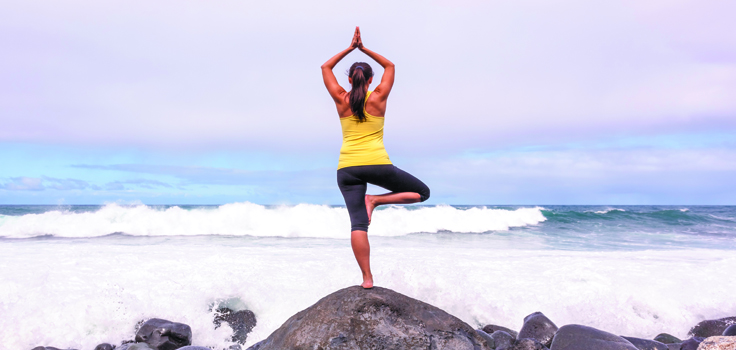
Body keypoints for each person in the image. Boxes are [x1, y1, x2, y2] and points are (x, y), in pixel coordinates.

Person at [321, 27, 430, 289]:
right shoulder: (379, 97)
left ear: (349, 80)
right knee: (422, 193)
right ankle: (377, 199)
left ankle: (367, 279)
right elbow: (390, 65)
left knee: (358, 224)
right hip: (378, 164)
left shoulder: (340, 98)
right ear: (370, 80)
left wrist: (350, 48)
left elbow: (325, 67)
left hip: (347, 168)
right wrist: (363, 48)